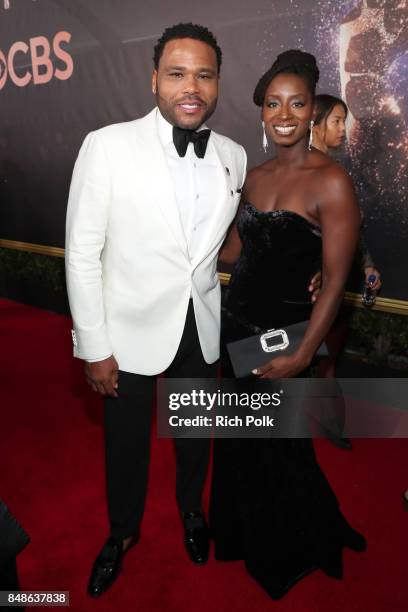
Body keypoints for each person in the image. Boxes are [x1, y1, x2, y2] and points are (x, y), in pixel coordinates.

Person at [65, 22, 248, 598]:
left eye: (204, 74)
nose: (190, 86)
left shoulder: (234, 156)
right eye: (176, 73)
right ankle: (121, 535)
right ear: (154, 81)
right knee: (125, 443)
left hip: (202, 323)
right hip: (128, 329)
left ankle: (192, 512)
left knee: (196, 431)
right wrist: (94, 345)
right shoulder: (106, 145)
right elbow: (82, 254)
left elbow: (224, 243)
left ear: (217, 83)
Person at [210, 50, 366, 600]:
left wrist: (305, 355)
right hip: (236, 327)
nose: (283, 113)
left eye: (296, 103)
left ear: (311, 111)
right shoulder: (253, 177)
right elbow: (232, 253)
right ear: (261, 112)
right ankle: (242, 533)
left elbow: (336, 279)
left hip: (281, 336)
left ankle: (290, 544)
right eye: (273, 104)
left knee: (280, 445)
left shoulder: (332, 183)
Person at [311, 94, 382, 450]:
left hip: (340, 287)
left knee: (327, 360)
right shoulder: (302, 171)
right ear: (315, 124)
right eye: (336, 121)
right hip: (308, 289)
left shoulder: (340, 172)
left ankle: (327, 422)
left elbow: (352, 231)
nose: (343, 129)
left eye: (344, 121)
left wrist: (367, 263)